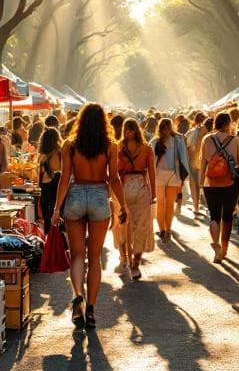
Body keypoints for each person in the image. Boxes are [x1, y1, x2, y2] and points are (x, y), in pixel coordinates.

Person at [51, 103, 127, 330]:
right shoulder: (110, 146)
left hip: (75, 195)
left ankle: (77, 297)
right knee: (94, 259)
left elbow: (64, 179)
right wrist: (122, 205)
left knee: (77, 256)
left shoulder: (70, 145)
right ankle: (91, 310)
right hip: (98, 198)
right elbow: (114, 178)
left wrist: (57, 209)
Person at [201, 112, 239, 262]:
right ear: (228, 124)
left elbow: (203, 164)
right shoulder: (237, 141)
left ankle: (216, 247)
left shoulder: (207, 139)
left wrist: (202, 183)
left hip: (210, 183)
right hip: (230, 183)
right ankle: (224, 249)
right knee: (227, 217)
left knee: (214, 216)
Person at [118, 119, 156, 281]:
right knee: (140, 226)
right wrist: (152, 192)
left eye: (129, 129)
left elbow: (116, 172)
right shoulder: (146, 149)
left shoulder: (119, 148)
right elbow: (151, 173)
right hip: (139, 187)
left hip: (125, 187)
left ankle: (132, 261)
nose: (128, 132)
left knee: (128, 226)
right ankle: (134, 263)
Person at [150, 118, 188, 242]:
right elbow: (183, 159)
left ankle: (162, 229)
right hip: (173, 174)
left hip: (159, 175)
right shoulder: (177, 140)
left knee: (161, 204)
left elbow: (151, 162)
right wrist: (183, 178)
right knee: (169, 204)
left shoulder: (155, 141)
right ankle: (168, 230)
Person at [37, 127, 63, 234]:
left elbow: (39, 175)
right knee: (55, 221)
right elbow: (61, 171)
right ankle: (57, 246)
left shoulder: (42, 156)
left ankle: (49, 245)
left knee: (47, 221)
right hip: (56, 188)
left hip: (45, 189)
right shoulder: (59, 153)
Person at [184, 112, 207, 217]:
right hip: (205, 162)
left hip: (193, 161)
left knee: (193, 184)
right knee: (203, 184)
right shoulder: (209, 132)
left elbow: (187, 147)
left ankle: (196, 206)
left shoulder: (190, 132)